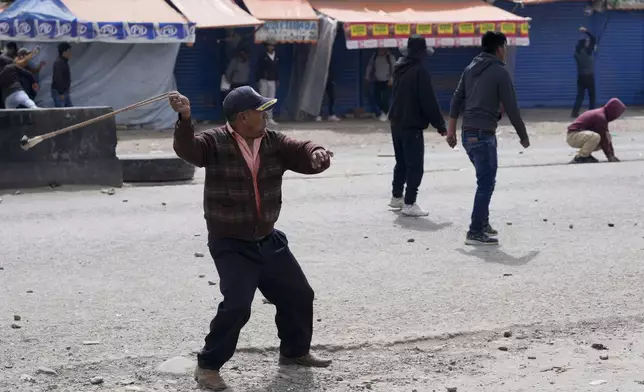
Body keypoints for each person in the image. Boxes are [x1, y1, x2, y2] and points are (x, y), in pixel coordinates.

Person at [170, 86, 333, 391]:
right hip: (231, 243)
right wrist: (185, 116)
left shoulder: (272, 141)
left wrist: (317, 154)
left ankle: (294, 352)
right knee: (237, 306)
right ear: (243, 117)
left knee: (299, 294)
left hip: (267, 239)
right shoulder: (214, 142)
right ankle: (207, 366)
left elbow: (301, 149)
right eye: (261, 111)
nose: (266, 115)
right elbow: (187, 149)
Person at [447, 31, 530, 246]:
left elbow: (457, 99)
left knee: (484, 181)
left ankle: (482, 223)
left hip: (468, 134)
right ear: (499, 48)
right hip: (483, 135)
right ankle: (475, 231)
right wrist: (523, 136)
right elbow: (512, 107)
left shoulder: (470, 69)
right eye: (505, 48)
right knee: (486, 183)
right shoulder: (499, 72)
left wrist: (451, 130)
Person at [387, 35, 446, 217]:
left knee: (401, 162)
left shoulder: (399, 68)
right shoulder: (420, 72)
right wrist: (440, 125)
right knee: (415, 166)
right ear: (420, 53)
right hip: (411, 125)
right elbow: (429, 101)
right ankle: (410, 203)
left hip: (396, 123)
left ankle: (396, 196)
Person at [567, 98, 625, 164]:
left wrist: (612, 154)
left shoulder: (602, 115)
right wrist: (609, 156)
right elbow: (603, 138)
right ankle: (580, 157)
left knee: (606, 137)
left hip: (580, 135)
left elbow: (605, 136)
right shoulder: (600, 117)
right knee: (595, 137)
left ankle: (587, 155)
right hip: (573, 136)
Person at [572, 26, 596, 118]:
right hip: (589, 76)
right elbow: (593, 39)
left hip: (580, 76)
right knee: (592, 95)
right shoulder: (588, 51)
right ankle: (592, 112)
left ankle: (574, 112)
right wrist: (586, 31)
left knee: (580, 95)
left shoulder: (576, 53)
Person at [365, 48, 395, 122]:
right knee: (376, 97)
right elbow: (370, 66)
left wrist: (392, 78)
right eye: (379, 49)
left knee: (385, 98)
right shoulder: (375, 56)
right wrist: (367, 76)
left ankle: (386, 113)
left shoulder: (390, 57)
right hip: (377, 80)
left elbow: (395, 68)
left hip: (387, 81)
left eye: (382, 49)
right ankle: (382, 113)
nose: (381, 51)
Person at [256, 39, 279, 126]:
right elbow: (258, 68)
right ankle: (262, 118)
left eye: (272, 45)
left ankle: (270, 118)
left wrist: (277, 79)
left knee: (271, 99)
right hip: (264, 80)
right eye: (269, 45)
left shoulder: (276, 56)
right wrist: (257, 79)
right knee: (263, 99)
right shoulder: (262, 56)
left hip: (272, 80)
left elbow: (276, 69)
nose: (270, 47)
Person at [52, 42, 72, 107]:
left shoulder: (63, 62)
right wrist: (61, 93)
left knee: (69, 110)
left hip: (64, 91)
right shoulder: (59, 63)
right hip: (60, 92)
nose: (70, 53)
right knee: (61, 112)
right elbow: (58, 78)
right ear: (64, 52)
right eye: (69, 51)